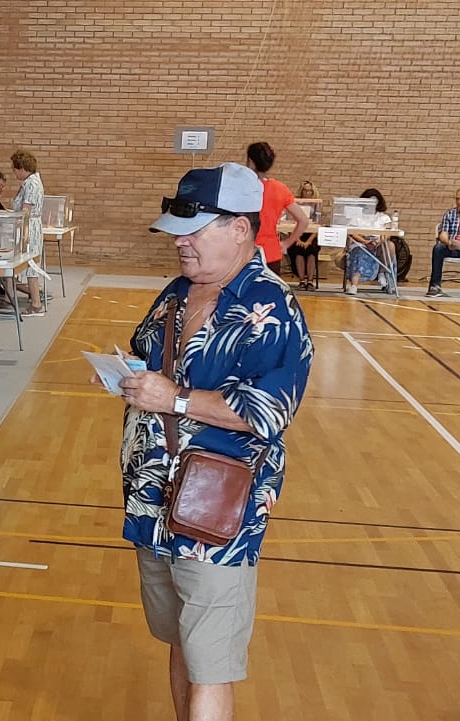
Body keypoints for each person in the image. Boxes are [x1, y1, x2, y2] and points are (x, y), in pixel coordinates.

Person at [119, 162, 312, 721]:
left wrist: (173, 399)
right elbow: (151, 358)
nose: (181, 241)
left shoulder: (271, 309)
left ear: (241, 229)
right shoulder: (177, 293)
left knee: (212, 663)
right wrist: (130, 378)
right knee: (182, 641)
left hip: (216, 513)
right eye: (178, 228)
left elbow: (268, 410)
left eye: (196, 228)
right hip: (153, 502)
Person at [243, 142, 310, 276]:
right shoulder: (280, 189)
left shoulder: (240, 187)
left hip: (243, 252)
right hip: (271, 253)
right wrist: (287, 243)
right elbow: (303, 220)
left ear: (250, 162)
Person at [10, 150, 47, 316]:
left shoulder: (31, 184)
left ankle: (36, 304)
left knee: (31, 265)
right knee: (30, 264)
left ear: (22, 168)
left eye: (15, 169)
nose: (14, 172)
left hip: (29, 226)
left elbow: (26, 210)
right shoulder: (32, 182)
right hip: (30, 224)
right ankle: (33, 299)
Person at [346, 188, 395, 295]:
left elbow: (388, 232)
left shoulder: (384, 217)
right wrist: (364, 241)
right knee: (359, 253)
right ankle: (354, 285)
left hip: (378, 243)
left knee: (390, 246)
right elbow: (352, 232)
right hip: (361, 243)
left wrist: (379, 241)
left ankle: (382, 273)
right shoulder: (356, 216)